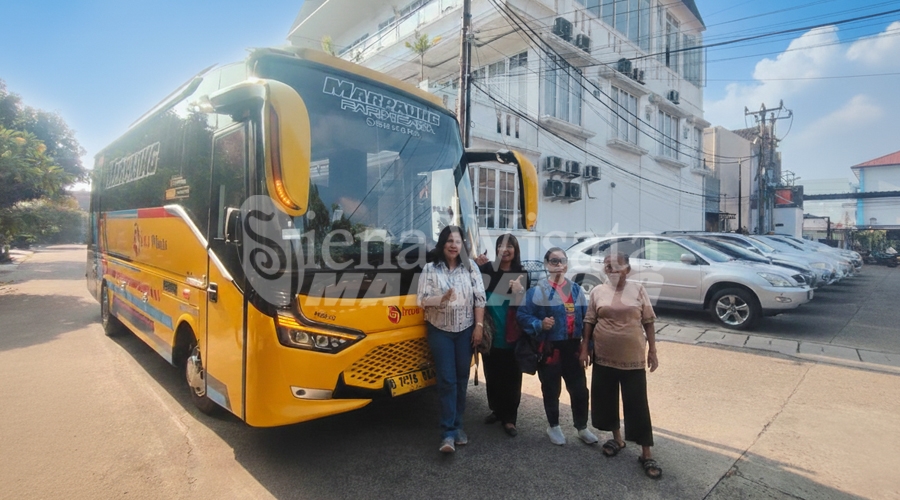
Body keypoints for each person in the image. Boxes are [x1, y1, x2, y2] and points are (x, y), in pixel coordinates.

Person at [579, 252, 661, 479]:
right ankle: (617, 439)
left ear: (627, 269)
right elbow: (589, 321)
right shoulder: (597, 292)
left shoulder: (637, 290)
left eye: (615, 266)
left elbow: (648, 321)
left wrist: (652, 350)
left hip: (632, 357)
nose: (610, 270)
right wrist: (585, 347)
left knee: (637, 404)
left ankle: (646, 452)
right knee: (606, 398)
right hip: (604, 356)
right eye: (607, 266)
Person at [517, 247, 598, 446]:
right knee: (552, 389)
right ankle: (553, 426)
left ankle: (582, 427)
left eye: (562, 261)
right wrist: (539, 324)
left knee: (579, 390)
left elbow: (588, 318)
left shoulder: (576, 290)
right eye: (554, 261)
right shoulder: (537, 291)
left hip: (573, 348)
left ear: (567, 264)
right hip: (550, 348)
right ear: (546, 265)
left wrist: (588, 346)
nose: (558, 265)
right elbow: (522, 316)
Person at [417, 225, 486, 453]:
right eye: (449, 241)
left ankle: (458, 426)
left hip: (465, 330)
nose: (454, 245)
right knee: (447, 380)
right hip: (440, 331)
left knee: (462, 378)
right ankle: (447, 433)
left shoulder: (470, 267)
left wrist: (478, 327)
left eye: (457, 242)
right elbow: (422, 300)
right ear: (442, 243)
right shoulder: (430, 268)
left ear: (462, 246)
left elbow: (479, 298)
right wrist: (442, 298)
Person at [475, 234, 528, 437]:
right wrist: (476, 264)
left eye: (509, 246)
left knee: (512, 377)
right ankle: (496, 410)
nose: (504, 250)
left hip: (512, 335)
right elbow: (472, 282)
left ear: (515, 250)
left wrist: (518, 291)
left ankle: (509, 418)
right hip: (490, 334)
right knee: (493, 375)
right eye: (500, 246)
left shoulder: (520, 273)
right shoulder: (487, 270)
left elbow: (523, 306)